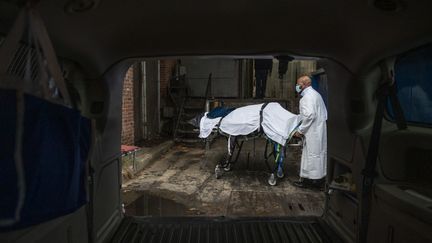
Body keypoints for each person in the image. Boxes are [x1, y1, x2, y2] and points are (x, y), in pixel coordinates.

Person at [293, 75, 328, 189]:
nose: (297, 86)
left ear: (305, 84)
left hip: (313, 131)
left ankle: (313, 182)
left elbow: (310, 115)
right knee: (316, 155)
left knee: (312, 155)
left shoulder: (307, 98)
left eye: (298, 84)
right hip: (318, 129)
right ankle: (312, 180)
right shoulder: (316, 95)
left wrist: (300, 130)